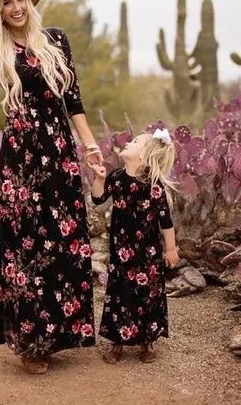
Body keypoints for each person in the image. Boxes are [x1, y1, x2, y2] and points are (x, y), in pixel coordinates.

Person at [0, 0, 103, 375]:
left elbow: (73, 99)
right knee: (25, 249)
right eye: (6, 3)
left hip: (58, 152)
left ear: (30, 1)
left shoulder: (55, 39)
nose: (16, 7)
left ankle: (59, 334)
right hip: (21, 159)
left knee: (63, 238)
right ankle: (30, 343)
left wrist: (90, 146)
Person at [89, 127, 179, 364]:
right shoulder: (116, 178)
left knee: (148, 295)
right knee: (120, 294)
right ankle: (116, 342)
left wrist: (171, 249)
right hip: (121, 252)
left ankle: (146, 341)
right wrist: (98, 178)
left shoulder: (154, 185)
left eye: (136, 141)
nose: (128, 142)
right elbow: (97, 198)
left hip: (147, 255)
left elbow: (165, 221)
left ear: (146, 154)